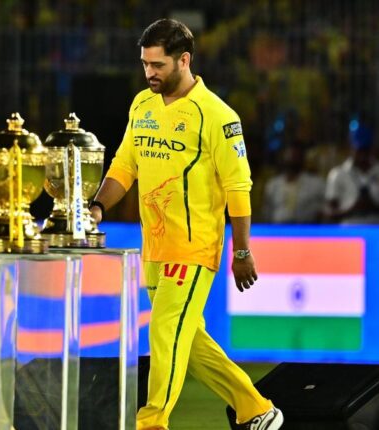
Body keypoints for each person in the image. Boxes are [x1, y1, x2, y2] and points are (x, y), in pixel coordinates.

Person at [88, 19, 282, 430]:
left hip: (193, 248)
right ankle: (255, 408)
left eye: (158, 65)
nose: (150, 72)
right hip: (154, 248)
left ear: (184, 60)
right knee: (186, 338)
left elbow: (238, 186)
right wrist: (99, 206)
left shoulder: (218, 116)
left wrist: (242, 250)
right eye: (145, 64)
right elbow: (124, 165)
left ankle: (152, 422)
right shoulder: (142, 105)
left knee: (164, 330)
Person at [324, 124, 379, 224]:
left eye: (366, 150)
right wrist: (353, 208)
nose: (363, 155)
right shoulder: (338, 174)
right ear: (350, 148)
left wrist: (373, 206)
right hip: (349, 229)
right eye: (359, 150)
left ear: (372, 148)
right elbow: (329, 214)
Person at [262, 144, 325, 223]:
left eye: (296, 157)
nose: (292, 160)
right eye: (289, 157)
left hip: (306, 228)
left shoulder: (316, 184)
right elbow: (267, 213)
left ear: (302, 159)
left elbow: (323, 210)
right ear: (283, 159)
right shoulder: (273, 185)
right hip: (278, 228)